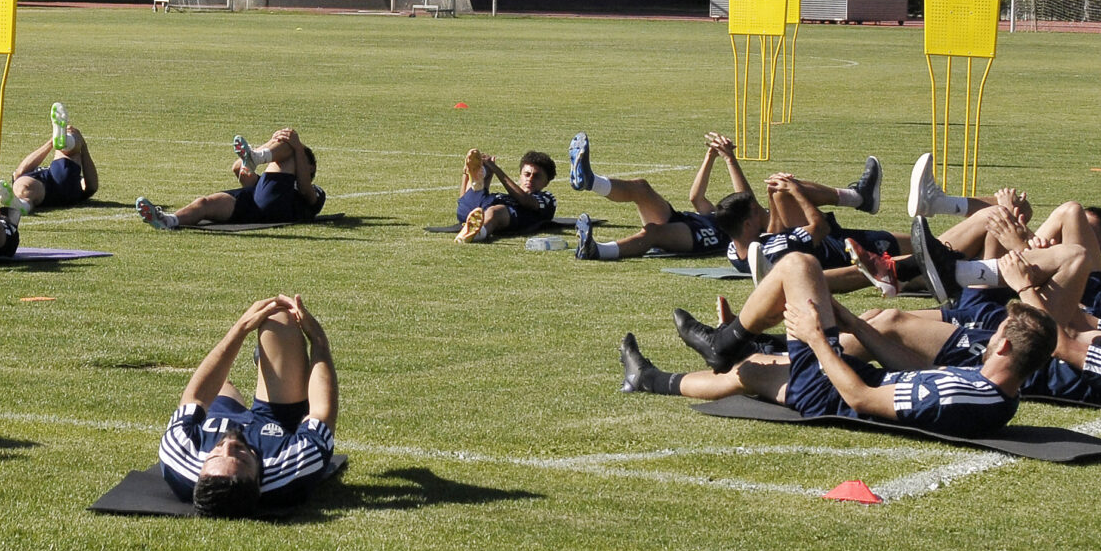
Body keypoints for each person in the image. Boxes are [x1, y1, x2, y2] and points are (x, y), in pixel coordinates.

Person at [623, 251, 1058, 437]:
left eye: (997, 334)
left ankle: (726, 339)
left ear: (1003, 349)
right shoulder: (998, 389)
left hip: (835, 394)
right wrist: (849, 319)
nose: (990, 338)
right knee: (752, 370)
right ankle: (649, 378)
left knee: (798, 265)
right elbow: (911, 372)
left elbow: (863, 398)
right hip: (846, 385)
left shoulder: (964, 391)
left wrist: (817, 339)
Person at [156, 295, 339, 516]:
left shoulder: (180, 455)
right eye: (240, 457)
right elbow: (321, 411)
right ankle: (274, 366)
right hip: (276, 421)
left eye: (214, 455)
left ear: (200, 472)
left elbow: (196, 397)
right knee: (278, 317)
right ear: (258, 479)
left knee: (222, 384)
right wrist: (318, 339)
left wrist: (242, 327)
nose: (228, 444)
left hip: (220, 419)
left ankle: (268, 365)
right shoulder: (290, 467)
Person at [567, 131, 769, 264]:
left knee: (652, 233)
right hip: (683, 221)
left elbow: (746, 201)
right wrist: (710, 157)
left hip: (699, 236)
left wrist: (730, 159)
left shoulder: (759, 225)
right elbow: (696, 198)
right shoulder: (725, 216)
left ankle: (597, 251)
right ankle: (590, 181)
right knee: (641, 187)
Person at [136, 129, 325, 230]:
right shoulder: (265, 188)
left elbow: (307, 192)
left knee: (288, 144)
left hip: (280, 210)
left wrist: (296, 148)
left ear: (311, 167)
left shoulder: (314, 191)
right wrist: (267, 143)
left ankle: (258, 156)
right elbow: (238, 168)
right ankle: (168, 221)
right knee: (204, 203)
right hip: (252, 207)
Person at [8, 103, 100, 215]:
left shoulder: (25, 177)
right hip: (61, 185)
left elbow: (20, 171)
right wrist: (83, 147)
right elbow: (92, 187)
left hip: (49, 183)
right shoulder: (74, 179)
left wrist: (50, 144)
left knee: (20, 181)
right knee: (23, 185)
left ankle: (23, 203)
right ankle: (67, 141)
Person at [452, 148, 561, 243]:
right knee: (472, 200)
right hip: (474, 211)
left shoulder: (547, 198)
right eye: (527, 174)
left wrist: (496, 168)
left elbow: (526, 201)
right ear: (520, 176)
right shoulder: (503, 197)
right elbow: (463, 201)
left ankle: (477, 234)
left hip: (513, 215)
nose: (530, 179)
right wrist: (466, 174)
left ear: (546, 182)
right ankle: (481, 176)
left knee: (495, 211)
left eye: (536, 176)